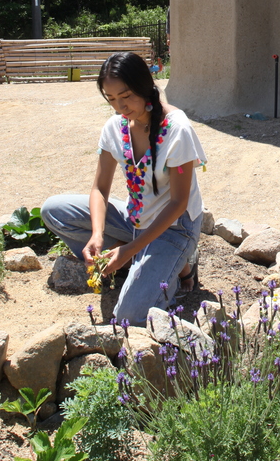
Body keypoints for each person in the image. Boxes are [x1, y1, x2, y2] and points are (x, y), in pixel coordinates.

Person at [41, 51, 205, 325]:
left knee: (129, 316)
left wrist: (129, 249)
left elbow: (178, 203)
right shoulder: (115, 127)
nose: (120, 106)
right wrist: (96, 234)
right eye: (111, 99)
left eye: (126, 96)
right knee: (53, 211)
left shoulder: (178, 129)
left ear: (145, 85)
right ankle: (143, 258)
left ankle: (172, 264)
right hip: (136, 219)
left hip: (175, 226)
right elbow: (99, 189)